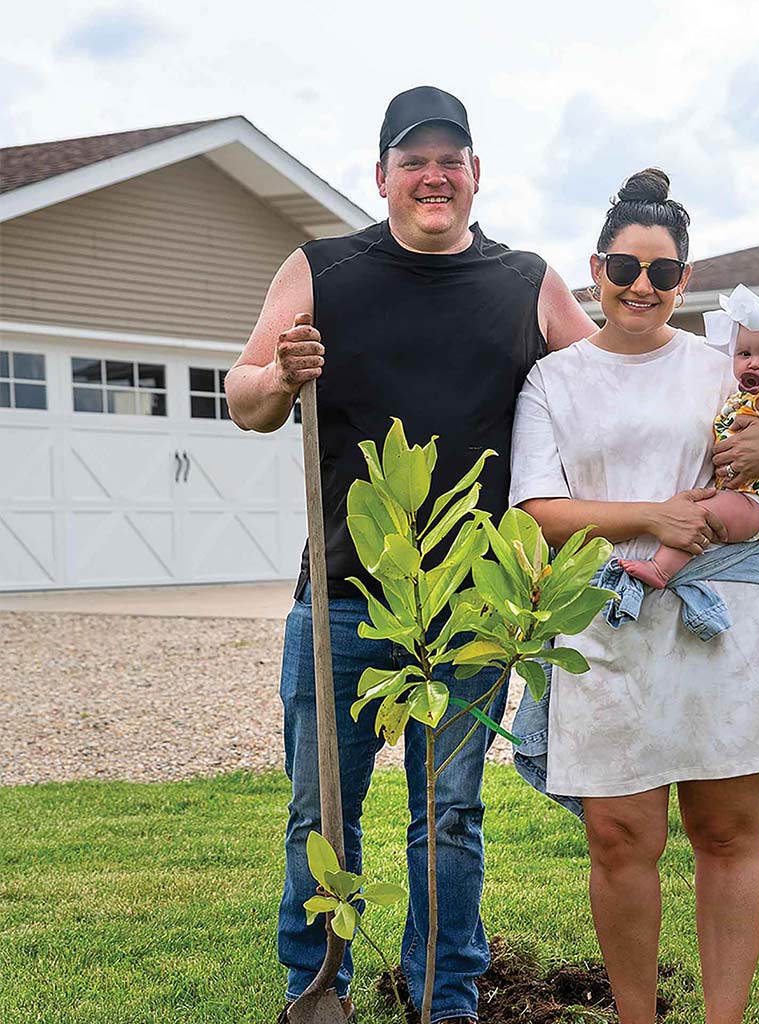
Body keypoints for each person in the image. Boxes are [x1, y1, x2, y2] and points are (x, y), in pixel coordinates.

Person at [225, 86, 594, 1024]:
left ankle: (447, 997)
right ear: (381, 173)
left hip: (474, 604)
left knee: (450, 820)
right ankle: (317, 987)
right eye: (414, 159)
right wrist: (281, 374)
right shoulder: (320, 269)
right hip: (345, 597)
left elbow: (609, 386)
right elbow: (245, 399)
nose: (435, 175)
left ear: (476, 175)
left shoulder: (528, 282)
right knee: (323, 813)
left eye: (452, 158)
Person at [509, 168, 759, 1024]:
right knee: (622, 840)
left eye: (661, 272)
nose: (641, 287)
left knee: (726, 833)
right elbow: (539, 511)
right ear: (595, 270)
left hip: (722, 627)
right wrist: (651, 516)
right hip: (604, 621)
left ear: (685, 281)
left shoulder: (722, 369)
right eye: (624, 268)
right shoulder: (554, 381)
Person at [619, 283, 759, 589]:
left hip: (758, 502)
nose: (754, 363)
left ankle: (661, 570)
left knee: (697, 515)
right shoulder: (758, 395)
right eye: (744, 353)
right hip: (744, 496)